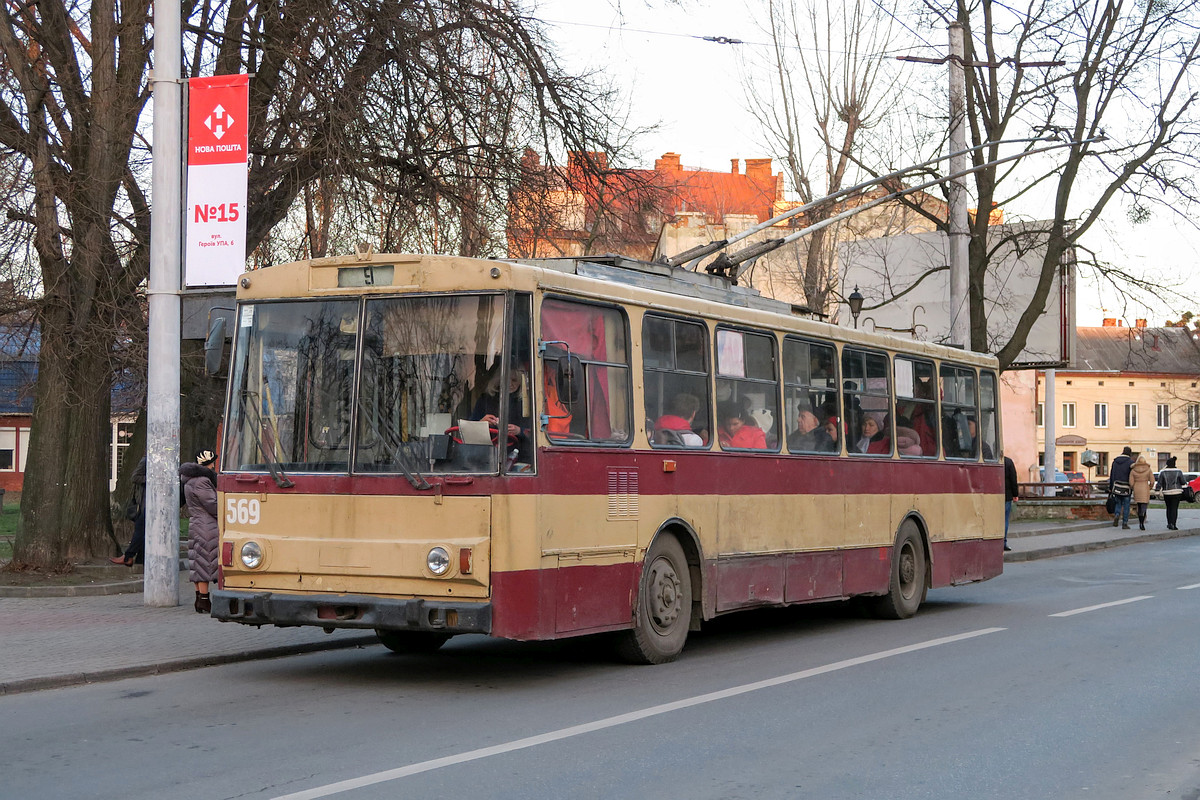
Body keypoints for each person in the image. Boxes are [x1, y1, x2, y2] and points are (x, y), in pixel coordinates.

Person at [180, 450, 219, 613]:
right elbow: (212, 504)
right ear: (209, 463)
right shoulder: (202, 481)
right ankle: (204, 600)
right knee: (206, 562)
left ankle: (199, 598)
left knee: (198, 562)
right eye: (213, 462)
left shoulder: (189, 480)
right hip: (207, 524)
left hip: (196, 522)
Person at [471, 366, 532, 460]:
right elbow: (469, 429)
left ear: (521, 382)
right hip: (486, 455)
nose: (510, 384)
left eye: (514, 380)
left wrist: (519, 431)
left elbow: (536, 433)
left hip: (521, 456)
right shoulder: (485, 400)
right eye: (506, 379)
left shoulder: (528, 403)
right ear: (498, 380)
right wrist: (482, 423)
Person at [110, 457, 147, 566]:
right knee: (141, 528)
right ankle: (129, 556)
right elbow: (135, 477)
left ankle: (137, 557)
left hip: (156, 503)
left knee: (143, 530)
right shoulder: (146, 460)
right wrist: (154, 479)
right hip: (147, 503)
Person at [1107, 445, 1135, 529]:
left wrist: (1111, 487)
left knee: (1118, 503)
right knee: (1126, 505)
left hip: (1116, 486)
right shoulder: (1131, 463)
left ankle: (1117, 515)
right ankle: (1125, 523)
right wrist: (1132, 486)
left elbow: (1112, 475)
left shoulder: (1115, 461)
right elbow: (1132, 476)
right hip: (1126, 487)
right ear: (1129, 453)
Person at [1157, 456, 1187, 530]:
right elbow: (1183, 482)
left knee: (1169, 508)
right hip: (1177, 492)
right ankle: (1174, 524)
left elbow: (1159, 483)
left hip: (1167, 492)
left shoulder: (1163, 472)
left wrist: (1157, 490)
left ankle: (1169, 523)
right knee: (1174, 508)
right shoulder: (1178, 471)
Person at [1130, 454, 1154, 531]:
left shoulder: (1133, 470)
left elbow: (1131, 482)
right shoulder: (1148, 469)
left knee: (1139, 505)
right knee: (1144, 505)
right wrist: (1149, 487)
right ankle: (1142, 522)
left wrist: (1134, 487)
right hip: (1145, 487)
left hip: (1137, 487)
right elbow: (1152, 481)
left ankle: (1140, 521)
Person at [1004, 455, 1019, 551]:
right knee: (1005, 520)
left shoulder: (992, 461)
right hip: (1007, 495)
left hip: (993, 495)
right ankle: (1003, 543)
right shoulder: (1008, 462)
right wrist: (1015, 494)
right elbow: (1013, 479)